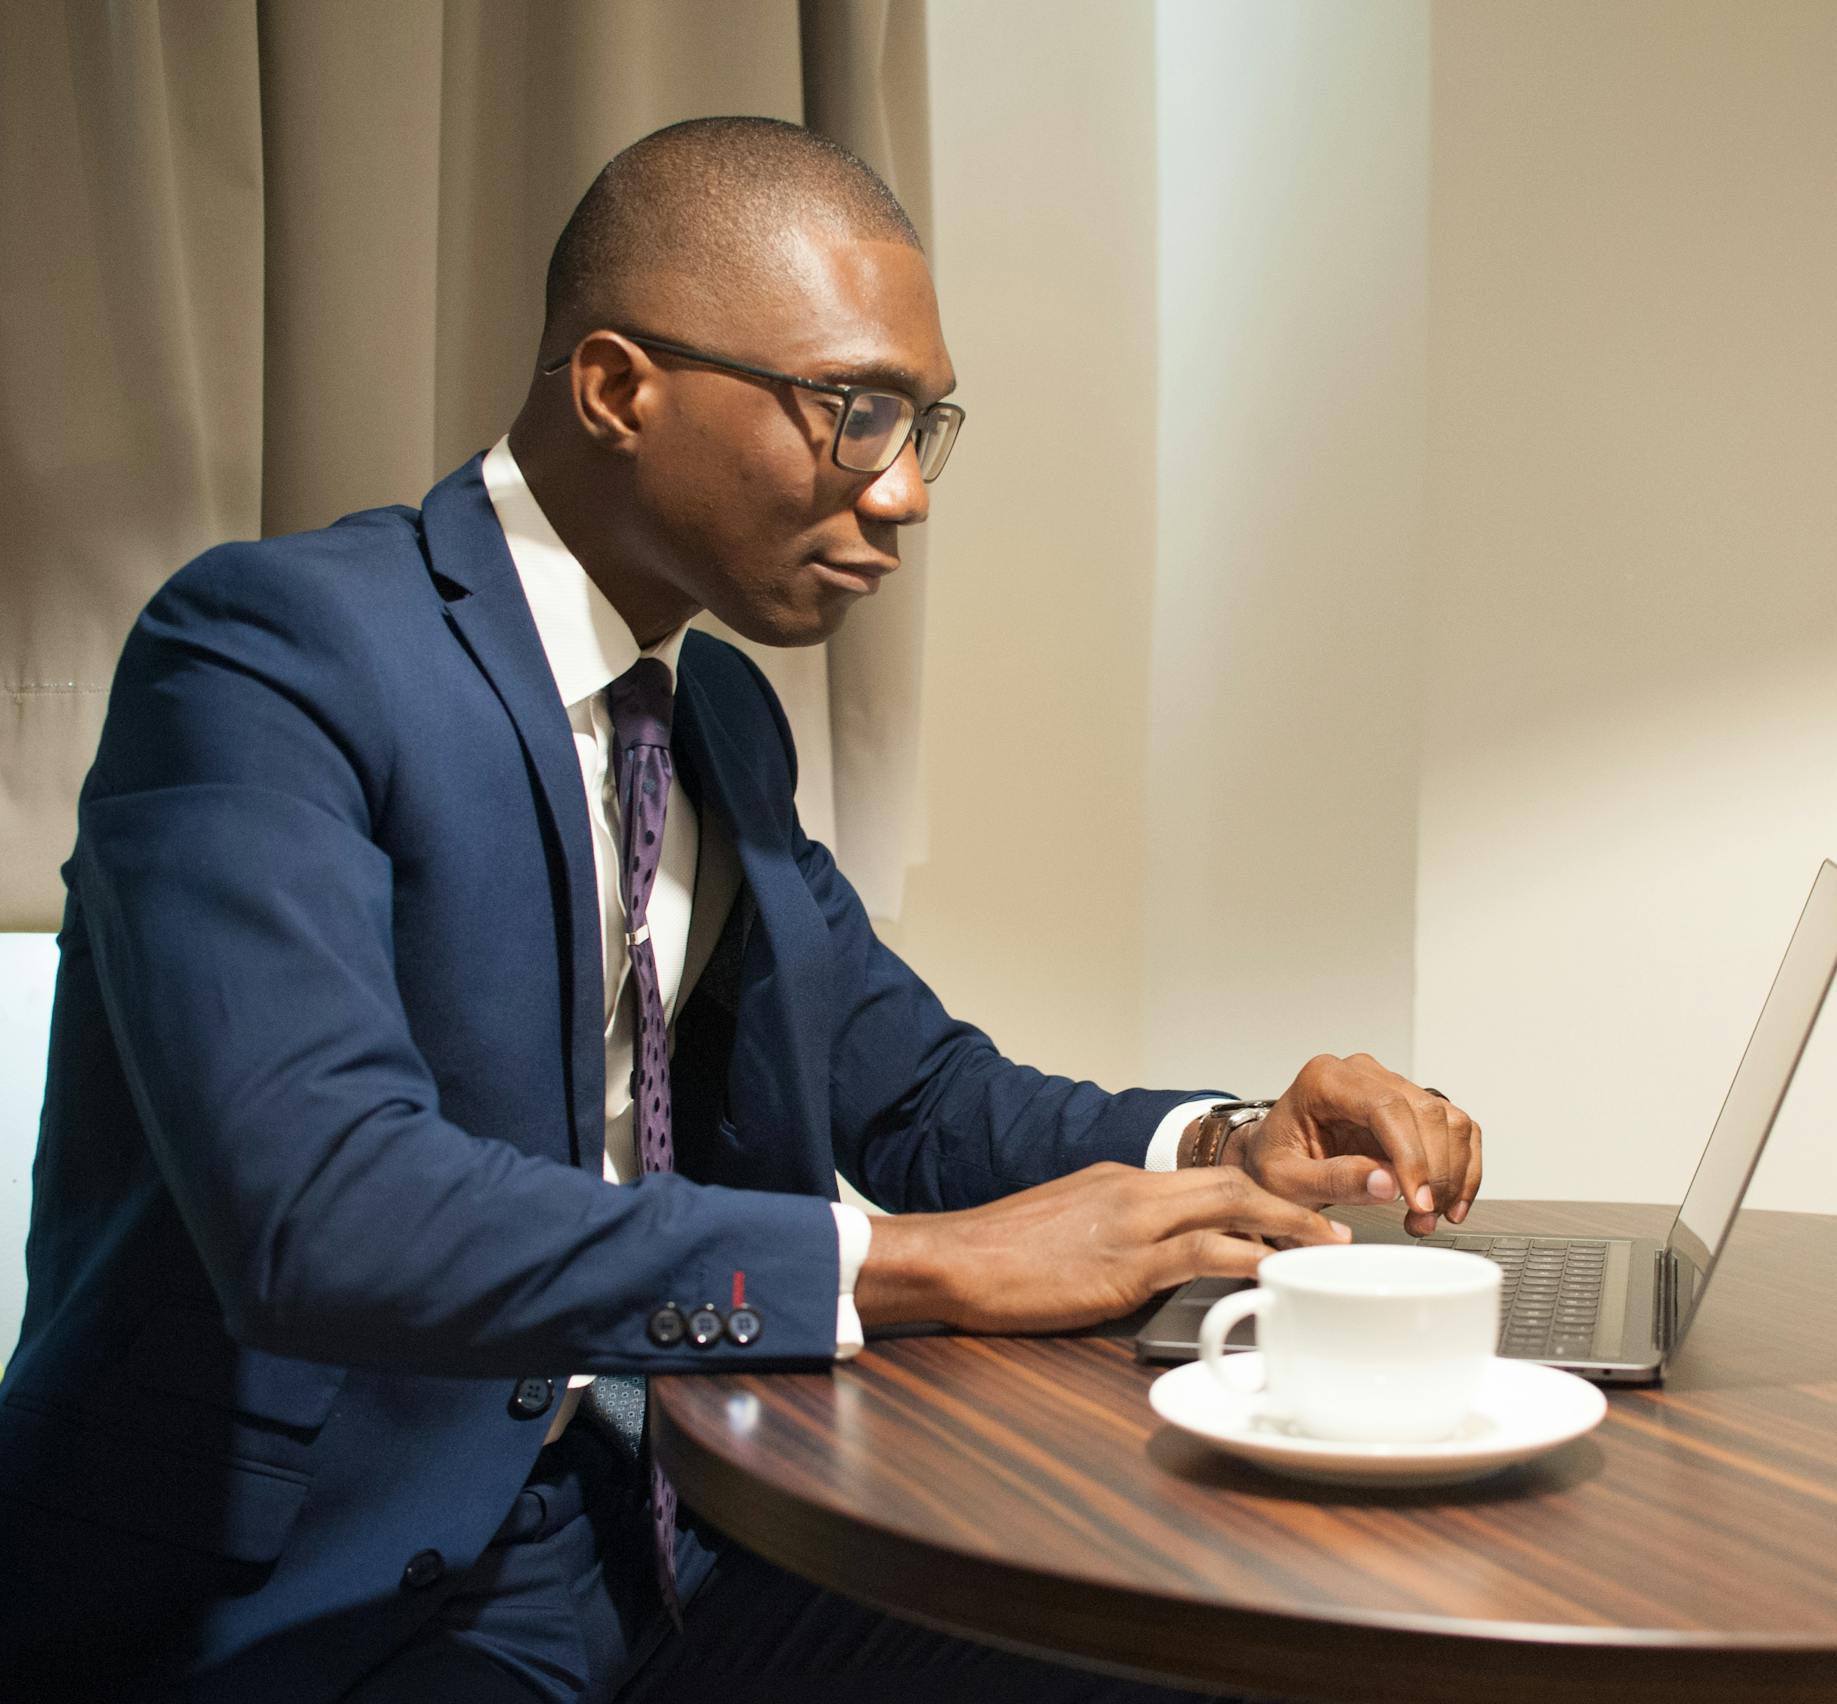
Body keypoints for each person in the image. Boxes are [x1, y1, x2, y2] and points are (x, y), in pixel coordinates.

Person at [0, 116, 1483, 1702]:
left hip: (685, 1524)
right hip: (320, 1607)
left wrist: (1224, 1146)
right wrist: (908, 1266)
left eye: (926, 425)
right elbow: (330, 1211)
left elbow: (912, 1091)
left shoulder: (710, 719)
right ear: (619, 387)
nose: (905, 491)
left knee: (1242, 1653)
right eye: (855, 414)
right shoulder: (269, 656)